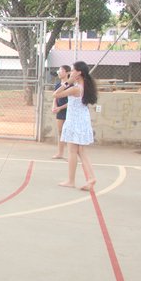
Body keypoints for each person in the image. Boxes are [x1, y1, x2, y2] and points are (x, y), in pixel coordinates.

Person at [54, 61, 98, 191]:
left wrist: (67, 82)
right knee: (81, 151)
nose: (71, 72)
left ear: (79, 73)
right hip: (82, 120)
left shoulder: (76, 88)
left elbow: (56, 94)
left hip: (75, 121)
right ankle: (91, 177)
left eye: (73, 70)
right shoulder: (84, 86)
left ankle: (71, 180)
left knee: (72, 151)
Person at [51, 65, 71, 159]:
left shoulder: (70, 85)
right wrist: (54, 106)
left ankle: (72, 154)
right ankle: (60, 153)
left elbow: (72, 102)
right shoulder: (58, 85)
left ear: (67, 72)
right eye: (58, 70)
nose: (59, 72)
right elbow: (55, 97)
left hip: (69, 111)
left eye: (61, 70)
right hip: (60, 111)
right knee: (60, 132)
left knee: (69, 132)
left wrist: (60, 108)